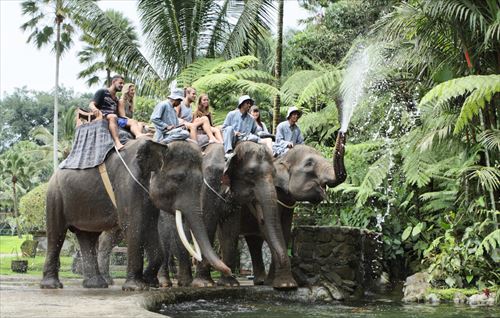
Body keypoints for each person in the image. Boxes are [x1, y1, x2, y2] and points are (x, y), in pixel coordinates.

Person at [89, 75, 145, 150]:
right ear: (113, 82)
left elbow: (120, 114)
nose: (122, 85)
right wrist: (95, 109)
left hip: (115, 118)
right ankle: (117, 143)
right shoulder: (102, 92)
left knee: (133, 121)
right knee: (113, 116)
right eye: (120, 83)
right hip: (103, 116)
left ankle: (138, 135)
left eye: (123, 84)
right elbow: (91, 104)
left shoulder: (116, 99)